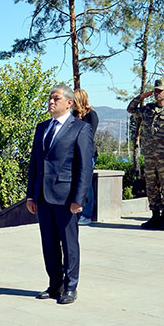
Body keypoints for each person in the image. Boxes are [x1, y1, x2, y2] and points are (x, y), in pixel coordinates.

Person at [26, 84, 94, 305]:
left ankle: (71, 286)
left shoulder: (81, 129)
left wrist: (78, 199)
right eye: (49, 99)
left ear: (69, 103)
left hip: (66, 198)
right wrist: (31, 195)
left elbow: (84, 168)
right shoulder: (42, 128)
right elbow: (35, 163)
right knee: (49, 243)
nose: (51, 102)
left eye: (56, 99)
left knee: (69, 243)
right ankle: (55, 284)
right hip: (43, 197)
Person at [127, 79, 164, 231]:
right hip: (150, 157)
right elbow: (130, 109)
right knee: (151, 187)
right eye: (156, 90)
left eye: (160, 90)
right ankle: (154, 216)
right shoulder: (148, 109)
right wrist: (141, 97)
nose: (157, 93)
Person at [72, 89, 98, 225]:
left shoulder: (92, 115)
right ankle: (77, 212)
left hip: (88, 155)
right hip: (74, 155)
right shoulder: (73, 115)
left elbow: (88, 136)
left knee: (86, 184)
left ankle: (87, 214)